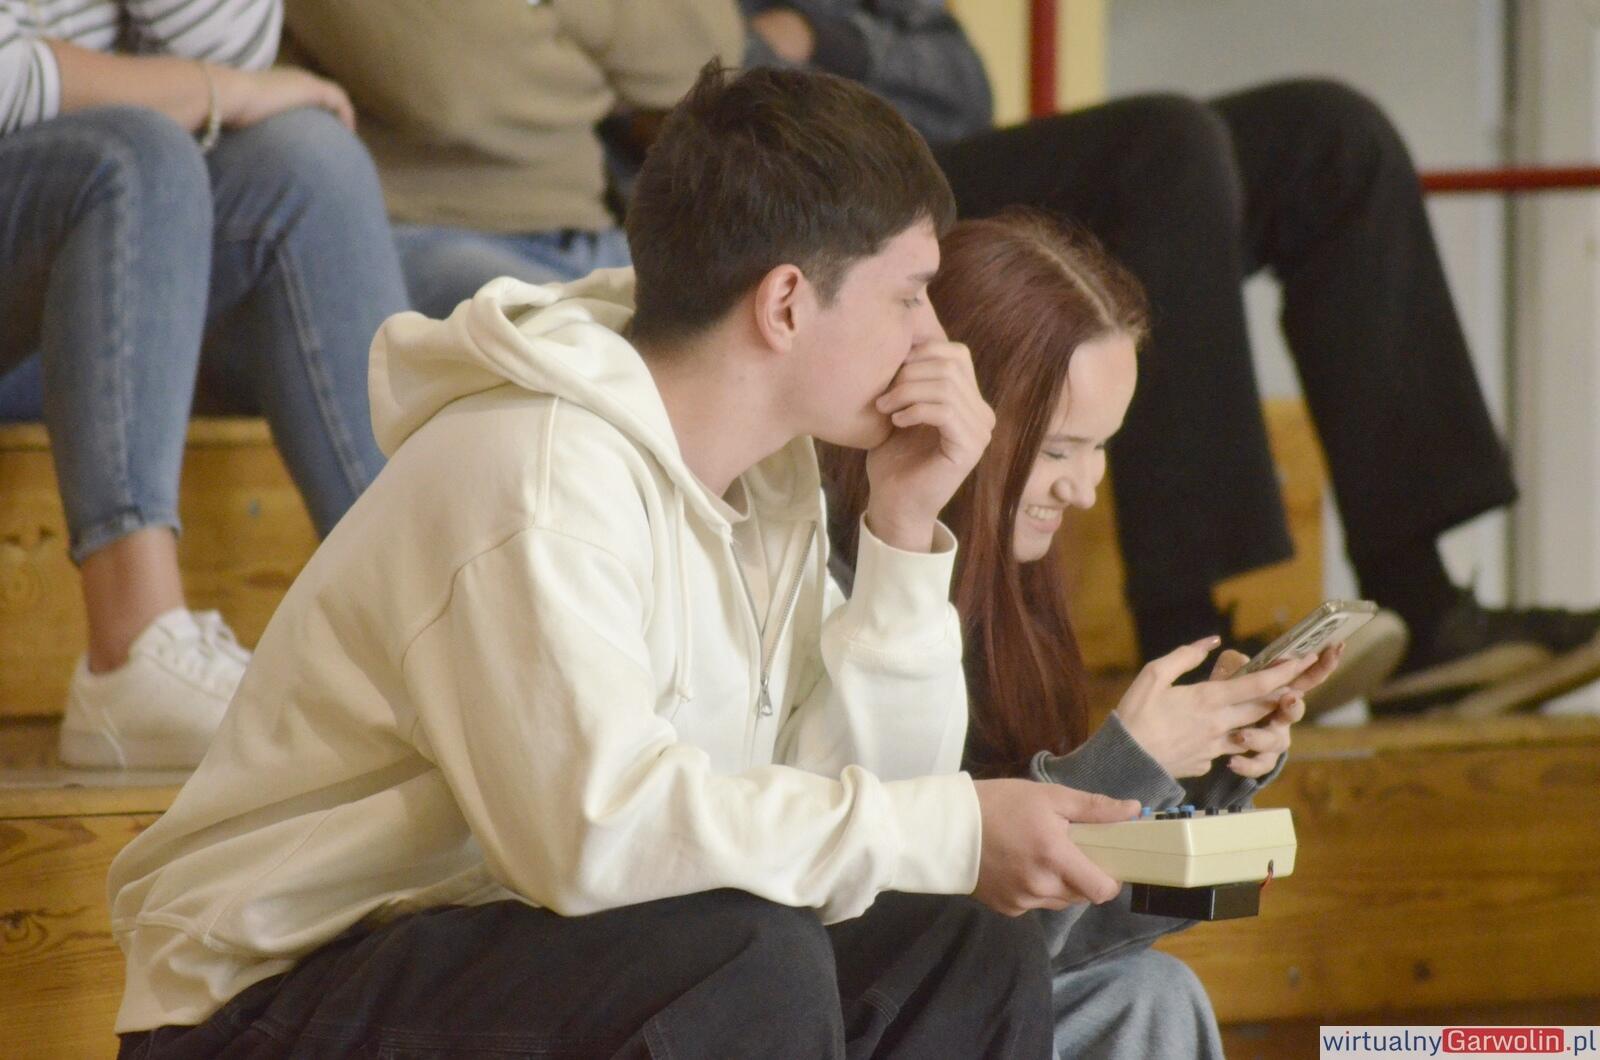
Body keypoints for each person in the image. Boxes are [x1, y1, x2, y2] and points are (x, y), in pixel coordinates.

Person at [107, 64, 1147, 1058]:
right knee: (747, 957)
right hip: (259, 1006)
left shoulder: (769, 484)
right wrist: (950, 826)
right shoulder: (535, 470)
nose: (936, 341)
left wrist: (904, 535)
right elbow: (594, 835)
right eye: (911, 295)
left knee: (960, 943)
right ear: (786, 303)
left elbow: (857, 822)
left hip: (505, 950)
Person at [745, 0, 1600, 715]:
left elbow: (962, 82)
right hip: (819, 216)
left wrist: (823, 38)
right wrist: (812, 50)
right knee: (1166, 146)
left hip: (931, 177)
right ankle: (1185, 636)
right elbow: (719, 103)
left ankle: (1423, 604)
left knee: (1334, 137)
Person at [824, 210, 1338, 1059]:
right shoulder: (834, 582)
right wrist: (1126, 762)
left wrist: (1202, 770)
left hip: (964, 997)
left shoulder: (1007, 588)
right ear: (953, 412)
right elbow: (933, 931)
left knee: (1150, 995)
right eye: (1060, 451)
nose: (1086, 490)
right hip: (852, 1006)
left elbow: (1061, 938)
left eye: (1102, 449)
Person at [0, 0, 406, 768]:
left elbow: (226, 49)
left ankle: (423, 639)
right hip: (80, 193)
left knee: (310, 161)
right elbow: (9, 79)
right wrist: (219, 90)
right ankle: (132, 652)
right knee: (140, 151)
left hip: (81, 282)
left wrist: (219, 84)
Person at [278, 0, 741, 321]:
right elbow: (454, 92)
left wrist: (526, 22)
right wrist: (598, 70)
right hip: (417, 234)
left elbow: (707, 52)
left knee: (748, 327)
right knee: (617, 354)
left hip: (595, 231)